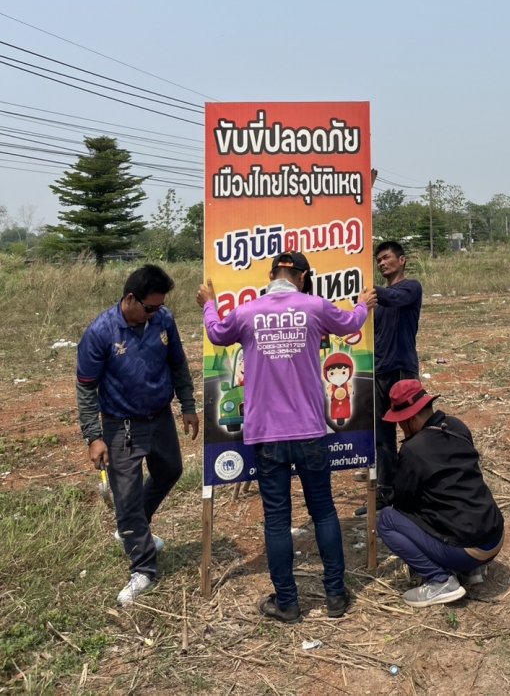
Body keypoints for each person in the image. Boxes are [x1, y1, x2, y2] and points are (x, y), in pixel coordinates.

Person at [197, 251, 377, 624]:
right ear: (303, 277)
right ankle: (335, 596)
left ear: (271, 275)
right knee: (323, 510)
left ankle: (287, 603)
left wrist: (209, 304)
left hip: (268, 434)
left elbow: (216, 333)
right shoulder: (314, 307)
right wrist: (363, 304)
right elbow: (350, 323)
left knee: (277, 519)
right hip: (309, 430)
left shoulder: (247, 312)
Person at [76, 264, 199, 606]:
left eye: (160, 307)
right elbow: (86, 388)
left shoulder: (163, 320)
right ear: (130, 299)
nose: (155, 313)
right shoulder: (100, 333)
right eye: (150, 307)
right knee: (126, 497)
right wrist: (94, 436)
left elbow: (178, 364)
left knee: (170, 470)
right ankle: (143, 567)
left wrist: (188, 404)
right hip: (121, 425)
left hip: (159, 417)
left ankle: (132, 529)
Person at [376, 379, 504, 608]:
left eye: (400, 423)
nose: (401, 428)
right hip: (494, 535)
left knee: (387, 520)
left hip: (468, 550)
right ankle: (472, 571)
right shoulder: (456, 426)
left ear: (409, 419)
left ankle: (440, 581)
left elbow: (403, 502)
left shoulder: (413, 449)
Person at [357, 240, 422, 515]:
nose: (382, 263)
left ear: (402, 260)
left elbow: (393, 297)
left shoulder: (410, 288)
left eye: (386, 258)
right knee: (382, 438)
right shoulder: (377, 302)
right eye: (379, 260)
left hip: (402, 371)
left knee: (414, 433)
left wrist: (365, 291)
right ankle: (385, 493)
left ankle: (416, 492)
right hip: (378, 372)